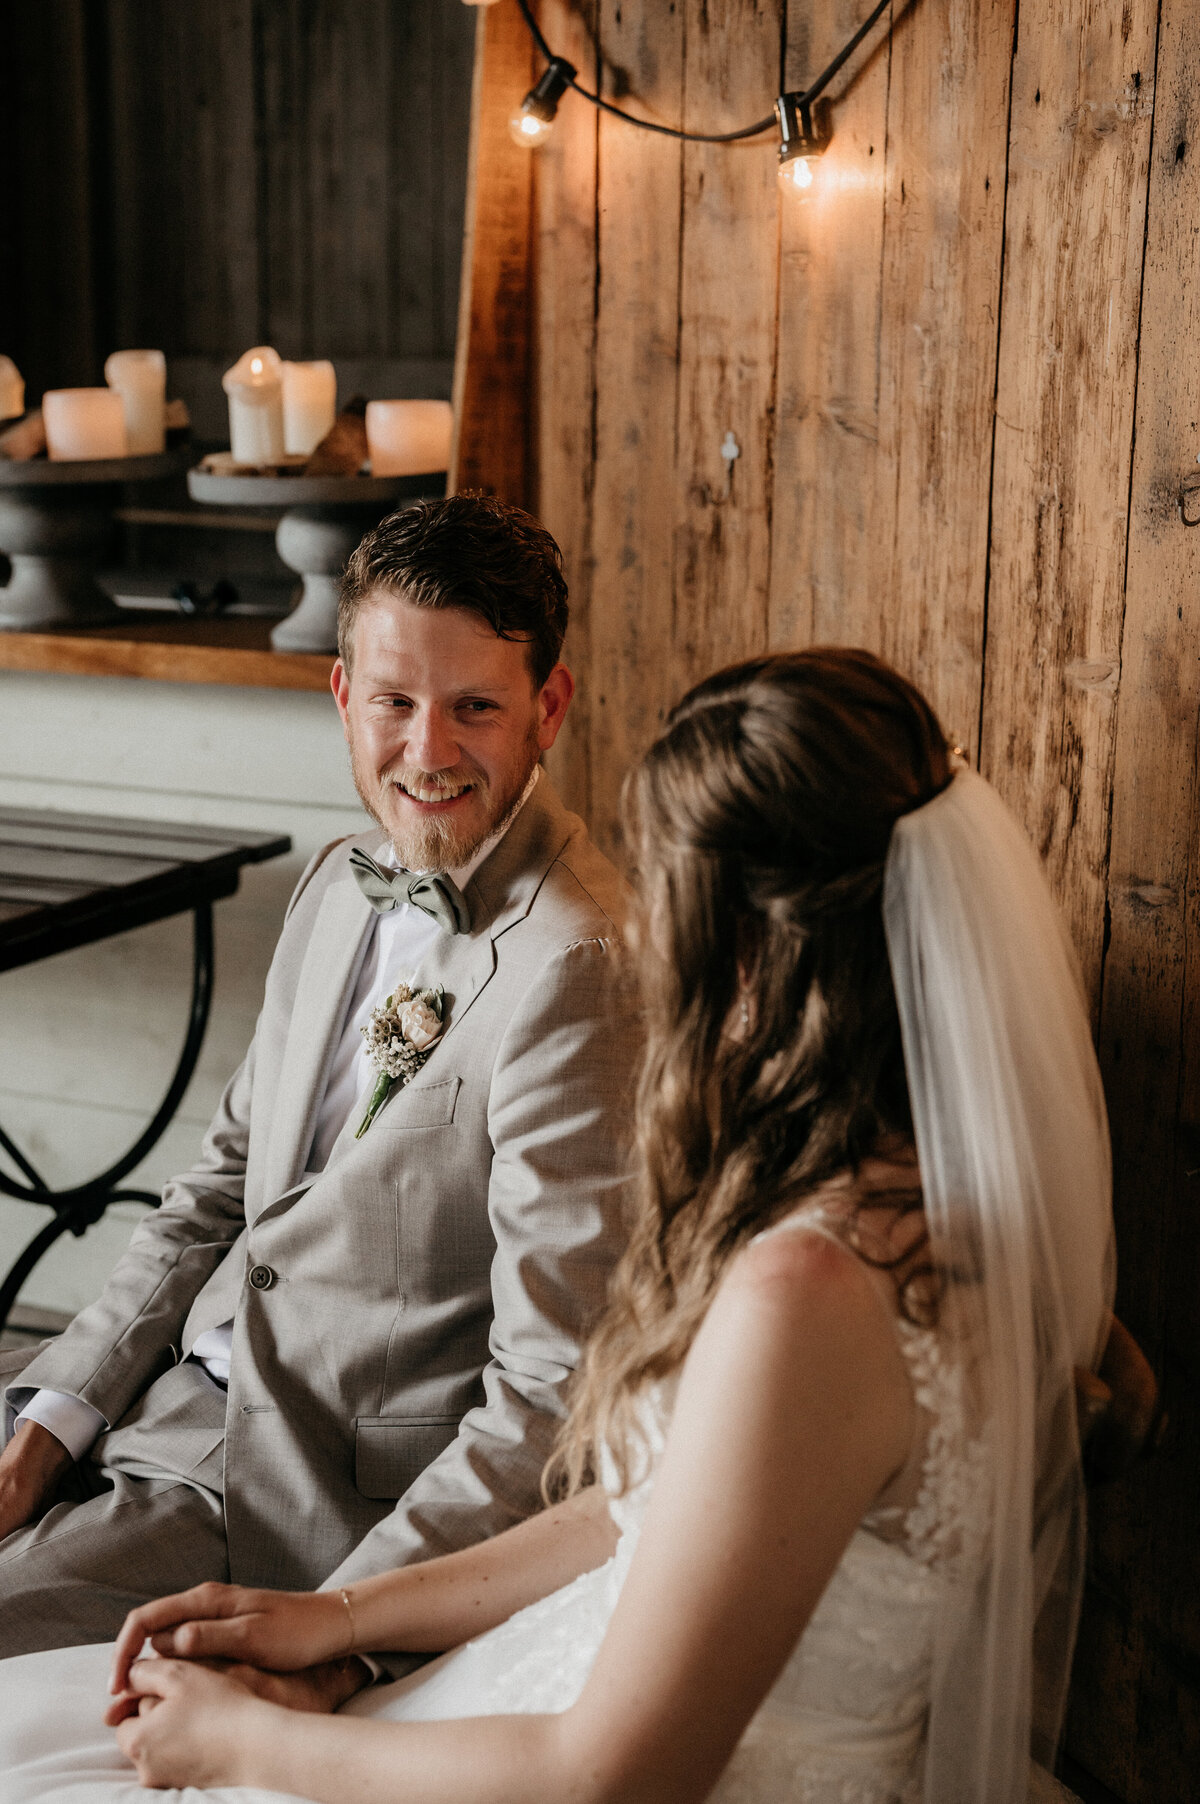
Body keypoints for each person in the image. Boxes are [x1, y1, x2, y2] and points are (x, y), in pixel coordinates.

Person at [0, 649, 1114, 1804]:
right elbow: (640, 1503)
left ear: (753, 948)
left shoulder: (813, 1289)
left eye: (668, 893)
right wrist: (329, 1621)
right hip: (524, 1657)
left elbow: (612, 1775)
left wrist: (245, 1749)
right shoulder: (907, 1201)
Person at [0, 495, 634, 1697]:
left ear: (548, 707)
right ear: (343, 695)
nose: (429, 749)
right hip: (150, 1392)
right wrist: (49, 1425)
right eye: (395, 702)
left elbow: (553, 1395)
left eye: (477, 707)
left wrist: (345, 1632)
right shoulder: (338, 883)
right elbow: (218, 1188)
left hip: (282, 1495)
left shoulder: (578, 968)